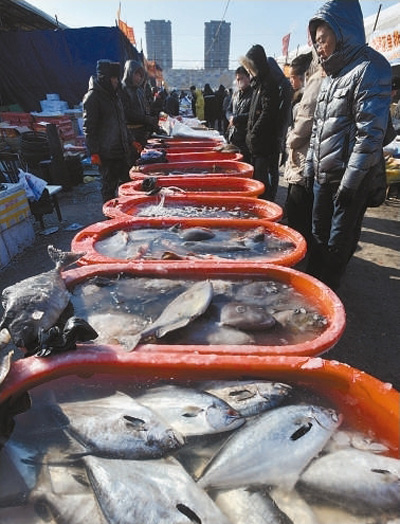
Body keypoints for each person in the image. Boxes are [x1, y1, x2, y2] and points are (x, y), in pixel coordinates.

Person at [304, 0, 392, 290]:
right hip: (322, 175)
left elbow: (370, 134)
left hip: (347, 179)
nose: (319, 47)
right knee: (317, 236)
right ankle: (315, 289)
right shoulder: (330, 77)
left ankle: (329, 296)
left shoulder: (370, 68)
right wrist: (308, 166)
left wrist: (351, 182)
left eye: (323, 39)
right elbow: (318, 127)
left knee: (337, 243)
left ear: (342, 32)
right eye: (316, 42)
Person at [284, 54, 324, 247]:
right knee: (305, 213)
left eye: (293, 77)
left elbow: (301, 130)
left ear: (304, 75)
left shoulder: (314, 87)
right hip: (308, 160)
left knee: (300, 214)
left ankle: (298, 251)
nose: (291, 81)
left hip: (304, 159)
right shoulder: (306, 91)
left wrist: (289, 138)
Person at [82, 59, 136, 204]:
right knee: (109, 188)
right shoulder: (93, 97)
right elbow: (89, 128)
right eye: (113, 78)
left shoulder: (115, 96)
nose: (116, 81)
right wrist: (94, 152)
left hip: (122, 151)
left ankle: (129, 214)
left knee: (128, 185)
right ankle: (111, 218)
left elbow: (122, 122)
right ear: (104, 78)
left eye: (117, 78)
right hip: (107, 154)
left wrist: (131, 141)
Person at [241, 44, 280, 200]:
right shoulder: (259, 84)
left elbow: (268, 112)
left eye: (250, 68)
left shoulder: (268, 84)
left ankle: (265, 205)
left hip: (264, 144)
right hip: (257, 144)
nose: (249, 72)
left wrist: (254, 132)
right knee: (258, 178)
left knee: (262, 181)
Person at [121, 60, 161, 148]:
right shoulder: (122, 89)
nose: (138, 78)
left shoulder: (139, 90)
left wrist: (152, 120)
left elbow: (146, 108)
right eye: (136, 74)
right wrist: (147, 119)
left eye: (140, 75)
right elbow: (126, 113)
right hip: (130, 134)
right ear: (129, 73)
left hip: (142, 132)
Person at [225, 66, 253, 164]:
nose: (239, 81)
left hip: (245, 139)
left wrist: (237, 119)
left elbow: (253, 114)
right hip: (233, 136)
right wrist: (230, 118)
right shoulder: (235, 95)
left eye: (242, 78)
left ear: (248, 78)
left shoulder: (253, 94)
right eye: (238, 79)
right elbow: (228, 110)